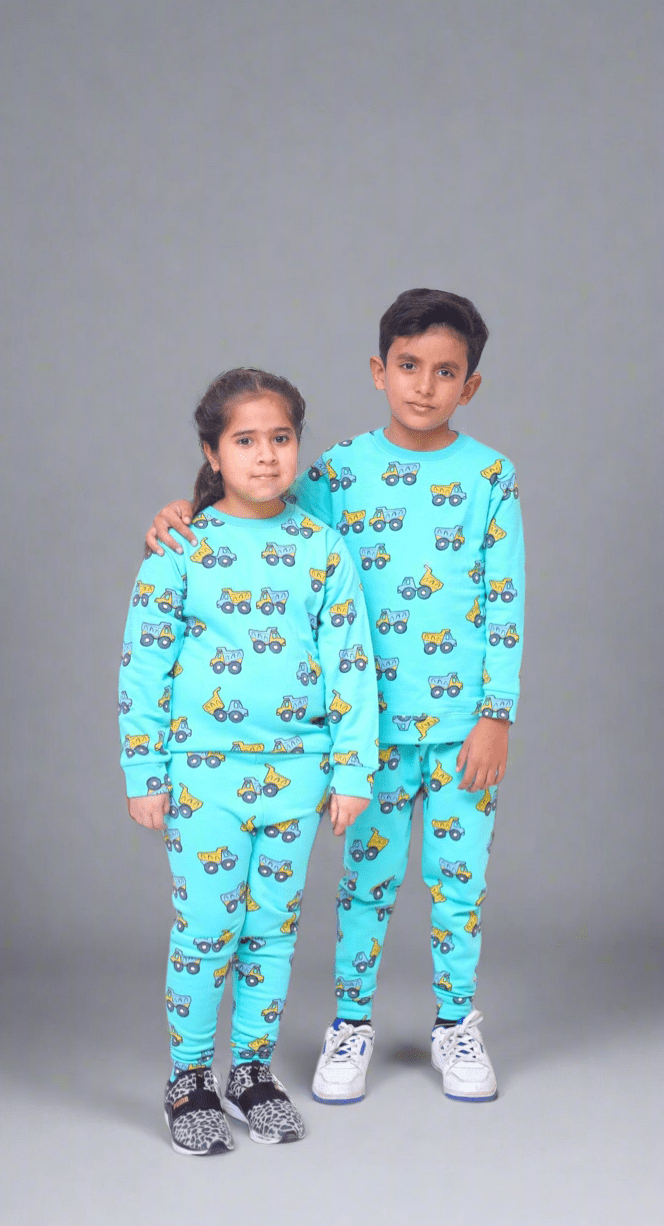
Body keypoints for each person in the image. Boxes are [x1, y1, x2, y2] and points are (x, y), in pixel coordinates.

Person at [146, 290, 525, 1105]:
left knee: (459, 886)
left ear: (470, 386)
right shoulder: (339, 474)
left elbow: (506, 601)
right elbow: (259, 514)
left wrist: (497, 714)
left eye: (446, 372)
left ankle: (456, 1021)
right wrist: (185, 508)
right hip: (367, 734)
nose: (424, 385)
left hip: (463, 730)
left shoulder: (491, 477)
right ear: (379, 371)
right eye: (409, 365)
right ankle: (350, 1023)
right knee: (366, 887)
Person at [121, 367, 377, 1154]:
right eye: (246, 440)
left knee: (271, 930)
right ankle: (189, 1079)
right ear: (213, 452)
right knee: (207, 928)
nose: (267, 455)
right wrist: (144, 772)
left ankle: (252, 1072)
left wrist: (352, 771)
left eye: (281, 438)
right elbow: (143, 665)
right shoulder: (181, 546)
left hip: (299, 775)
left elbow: (351, 663)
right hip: (205, 776)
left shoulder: (322, 547)